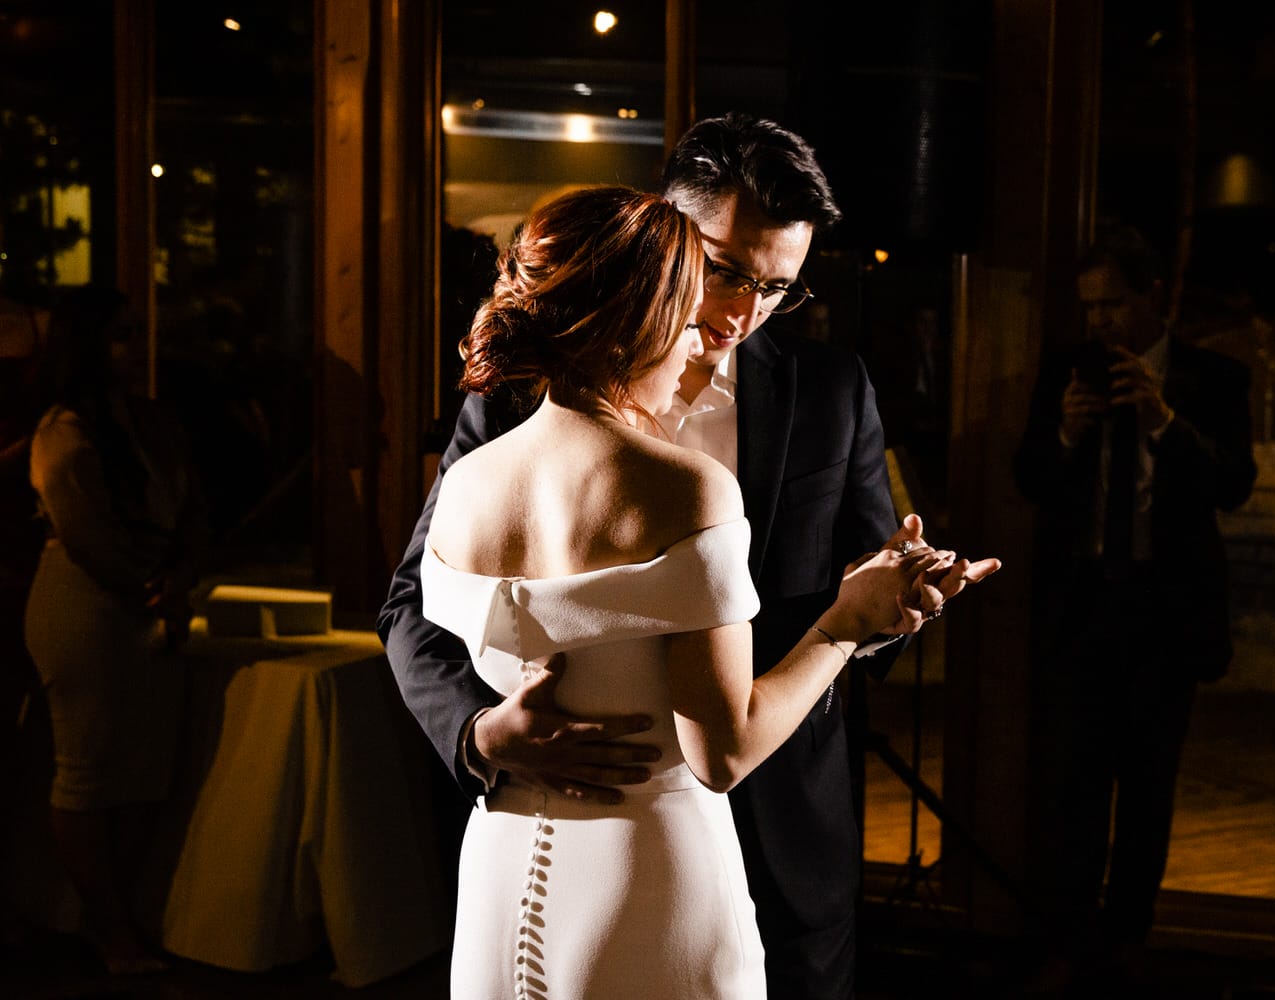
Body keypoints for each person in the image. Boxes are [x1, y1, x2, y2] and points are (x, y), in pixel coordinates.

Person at [378, 114, 973, 999]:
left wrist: (890, 608)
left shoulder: (830, 390)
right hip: (582, 813)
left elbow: (861, 578)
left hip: (786, 830)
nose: (741, 312)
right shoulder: (517, 401)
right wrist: (478, 730)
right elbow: (410, 604)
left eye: (778, 288)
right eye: (725, 270)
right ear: (659, 231)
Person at [1012, 222, 1258, 992]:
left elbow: (1234, 485)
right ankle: (1069, 942)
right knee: (1073, 789)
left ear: (1155, 298)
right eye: (1090, 309)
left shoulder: (1213, 380)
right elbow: (1028, 478)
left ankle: (1130, 940)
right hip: (1084, 611)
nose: (1099, 323)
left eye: (1112, 306)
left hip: (1164, 614)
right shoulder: (1068, 370)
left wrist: (1163, 422)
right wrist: (1064, 431)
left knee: (1149, 790)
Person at [23, 285, 208, 975]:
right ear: (87, 346)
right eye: (120, 335)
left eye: (137, 333)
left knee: (143, 773)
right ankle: (107, 929)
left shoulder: (150, 422)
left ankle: (114, 915)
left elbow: (191, 509)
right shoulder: (62, 429)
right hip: (89, 611)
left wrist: (182, 572)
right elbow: (86, 533)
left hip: (151, 602)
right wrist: (149, 587)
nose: (135, 349)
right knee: (89, 771)